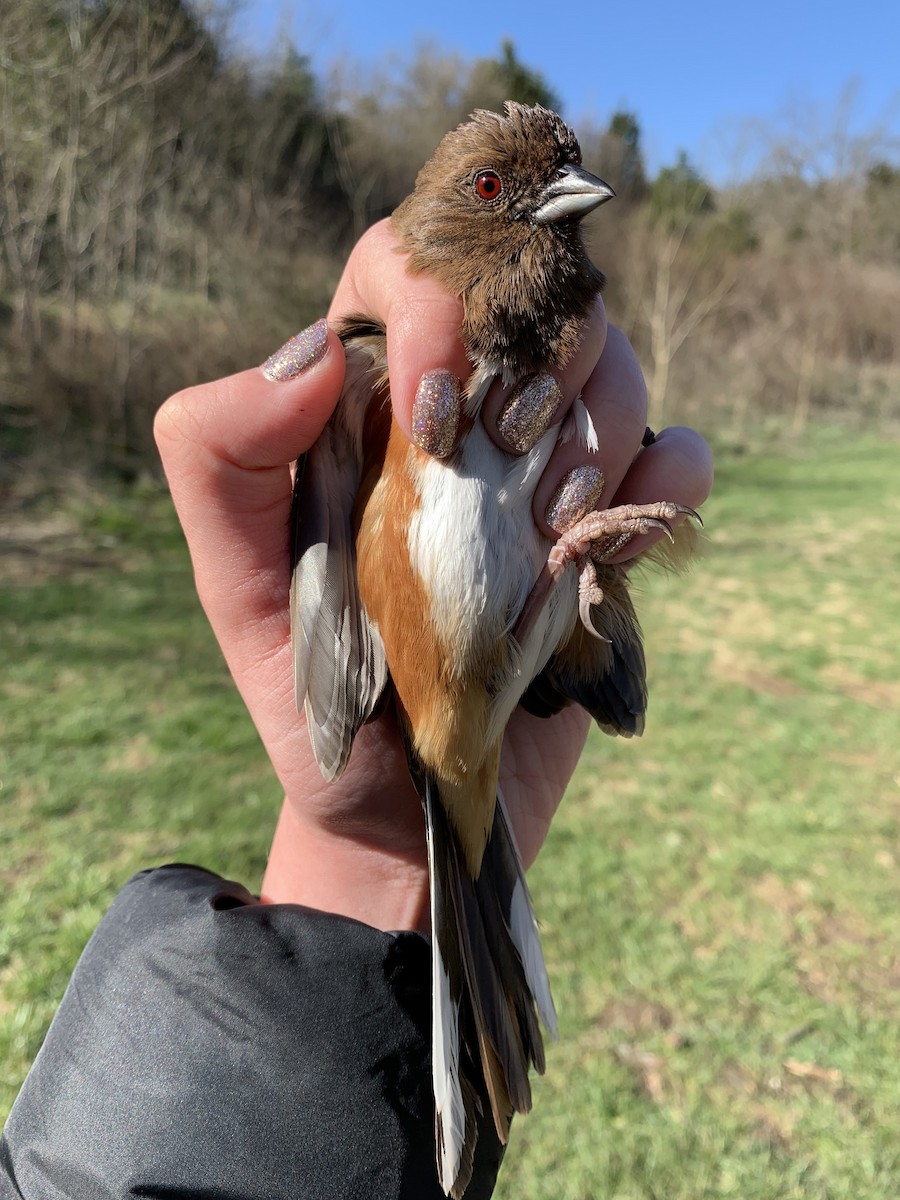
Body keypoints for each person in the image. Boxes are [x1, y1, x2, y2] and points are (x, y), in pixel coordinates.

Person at [0, 220, 713, 1199]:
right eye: (507, 191)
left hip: (498, 683)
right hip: (428, 689)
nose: (554, 218)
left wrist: (577, 562)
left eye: (566, 201)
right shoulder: (376, 368)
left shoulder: (522, 357)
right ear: (464, 217)